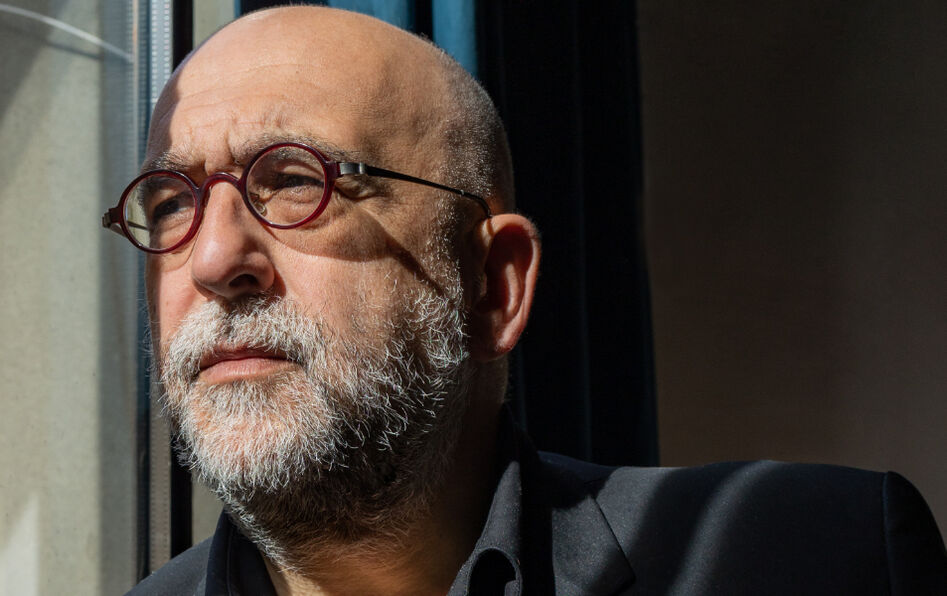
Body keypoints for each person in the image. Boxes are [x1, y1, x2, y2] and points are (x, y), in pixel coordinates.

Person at [104, 6, 947, 595]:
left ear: (492, 286)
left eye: (295, 180)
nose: (213, 259)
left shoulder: (807, 557)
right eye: (171, 201)